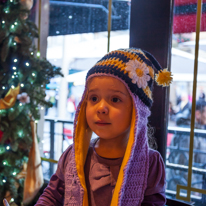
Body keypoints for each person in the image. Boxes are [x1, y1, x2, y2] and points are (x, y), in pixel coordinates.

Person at [5, 48, 173, 206]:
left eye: (115, 99)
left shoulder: (150, 163)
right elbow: (52, 196)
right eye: (93, 98)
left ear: (138, 110)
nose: (101, 108)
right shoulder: (74, 155)